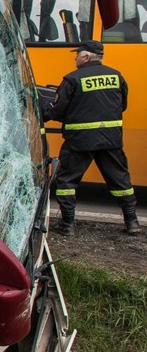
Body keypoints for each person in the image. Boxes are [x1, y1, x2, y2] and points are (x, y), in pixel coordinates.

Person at [43, 40, 139, 235]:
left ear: (86, 57)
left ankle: (67, 225)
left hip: (79, 140)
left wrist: (43, 114)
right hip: (110, 139)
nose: (75, 57)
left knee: (67, 182)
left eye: (77, 54)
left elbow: (58, 109)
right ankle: (132, 222)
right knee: (120, 180)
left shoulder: (73, 79)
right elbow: (123, 105)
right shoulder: (116, 76)